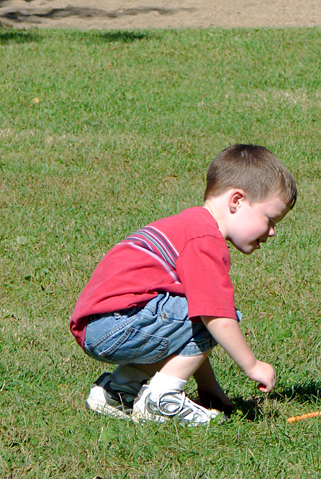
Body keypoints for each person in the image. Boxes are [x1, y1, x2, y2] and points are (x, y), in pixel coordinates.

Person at [70, 144, 297, 426]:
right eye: (270, 219)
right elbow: (215, 318)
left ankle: (117, 392)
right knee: (222, 313)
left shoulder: (188, 225)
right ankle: (161, 399)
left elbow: (191, 333)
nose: (273, 232)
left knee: (199, 314)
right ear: (236, 200)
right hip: (119, 322)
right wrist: (253, 366)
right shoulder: (204, 239)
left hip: (100, 325)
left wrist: (209, 389)